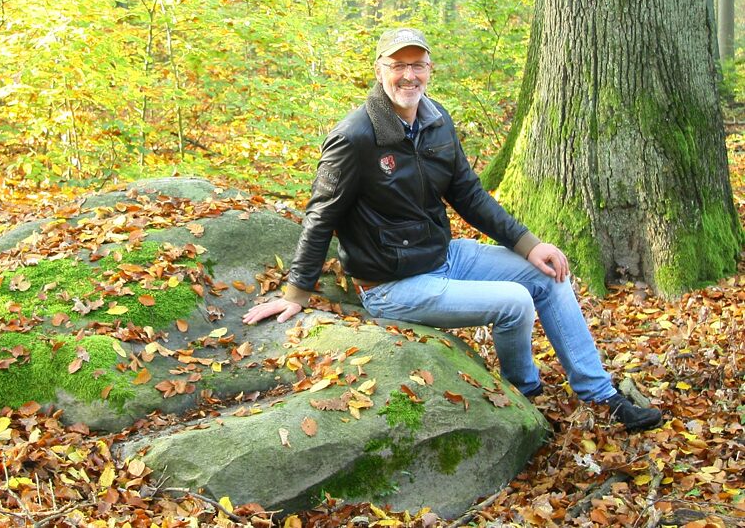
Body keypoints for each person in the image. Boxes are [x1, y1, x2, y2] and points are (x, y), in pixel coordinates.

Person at [242, 27, 662, 432]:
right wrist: (296, 293)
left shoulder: (436, 118)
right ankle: (525, 395)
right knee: (515, 302)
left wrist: (529, 245)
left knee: (548, 272)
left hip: (442, 256)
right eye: (398, 65)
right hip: (392, 285)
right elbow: (321, 215)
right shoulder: (355, 137)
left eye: (418, 65)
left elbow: (469, 195)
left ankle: (600, 395)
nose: (409, 75)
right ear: (379, 70)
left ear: (430, 69)